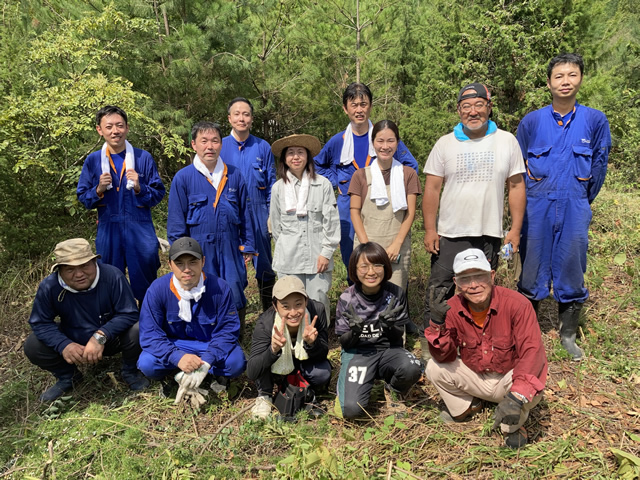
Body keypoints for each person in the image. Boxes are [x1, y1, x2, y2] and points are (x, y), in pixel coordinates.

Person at [516, 53, 611, 361]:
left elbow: (598, 167)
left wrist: (581, 200)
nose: (565, 81)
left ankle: (567, 334)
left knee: (572, 265)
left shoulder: (594, 120)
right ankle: (528, 332)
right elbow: (518, 169)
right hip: (536, 206)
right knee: (532, 267)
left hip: (575, 204)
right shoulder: (531, 122)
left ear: (580, 79)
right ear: (549, 83)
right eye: (559, 76)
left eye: (571, 75)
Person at [422, 83, 526, 360]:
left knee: (480, 294)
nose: (473, 112)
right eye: (466, 107)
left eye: (479, 105)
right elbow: (432, 188)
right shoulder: (445, 143)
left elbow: (516, 186)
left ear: (489, 107)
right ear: (458, 111)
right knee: (440, 291)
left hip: (488, 232)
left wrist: (514, 230)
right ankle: (435, 345)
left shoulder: (507, 141)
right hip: (449, 233)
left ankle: (478, 345)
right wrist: (430, 229)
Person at [425, 248, 548, 449]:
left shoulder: (517, 305)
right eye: (465, 279)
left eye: (479, 276)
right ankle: (468, 406)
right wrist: (437, 323)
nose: (473, 285)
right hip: (477, 376)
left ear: (492, 276)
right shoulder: (452, 308)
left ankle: (513, 425)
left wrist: (517, 396)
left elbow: (532, 352)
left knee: (534, 377)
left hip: (509, 379)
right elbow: (443, 355)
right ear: (456, 284)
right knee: (433, 367)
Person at [314, 83, 418, 281]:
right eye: (354, 105)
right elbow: (317, 165)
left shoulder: (382, 137)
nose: (359, 109)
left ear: (370, 107)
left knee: (384, 253)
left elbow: (411, 166)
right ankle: (357, 294)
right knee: (352, 254)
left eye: (363, 104)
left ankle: (389, 295)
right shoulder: (339, 141)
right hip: (348, 204)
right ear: (345, 109)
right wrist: (339, 180)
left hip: (382, 205)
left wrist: (391, 183)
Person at [24, 238, 149, 403]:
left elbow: (129, 313)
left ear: (94, 261)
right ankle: (68, 377)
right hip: (74, 338)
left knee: (139, 329)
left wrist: (100, 335)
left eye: (84, 266)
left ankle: (130, 371)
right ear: (59, 270)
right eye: (70, 269)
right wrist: (64, 345)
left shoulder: (112, 276)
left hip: (111, 338)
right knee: (33, 345)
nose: (79, 274)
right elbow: (40, 322)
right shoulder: (50, 286)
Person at [167, 122, 256, 332]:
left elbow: (246, 215)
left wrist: (247, 246)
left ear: (221, 144)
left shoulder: (234, 175)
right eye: (204, 141)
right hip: (198, 250)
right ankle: (204, 337)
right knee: (201, 290)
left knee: (234, 289)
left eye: (215, 141)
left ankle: (234, 336)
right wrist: (182, 257)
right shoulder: (183, 178)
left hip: (230, 247)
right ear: (193, 145)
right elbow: (176, 225)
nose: (210, 146)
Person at [137, 237, 246, 404]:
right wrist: (177, 357)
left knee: (236, 363)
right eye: (180, 263)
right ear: (170, 265)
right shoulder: (157, 290)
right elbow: (150, 334)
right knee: (147, 363)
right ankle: (173, 375)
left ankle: (213, 375)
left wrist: (208, 360)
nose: (186, 269)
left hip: (208, 344)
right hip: (175, 344)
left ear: (203, 261)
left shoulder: (220, 288)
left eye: (193, 262)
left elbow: (228, 330)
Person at [77, 105, 165, 302]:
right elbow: (83, 198)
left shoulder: (143, 158)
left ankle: (149, 324)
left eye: (119, 125)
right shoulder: (93, 161)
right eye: (109, 127)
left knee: (146, 279)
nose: (115, 131)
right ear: (100, 130)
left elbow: (159, 194)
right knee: (108, 280)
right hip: (109, 229)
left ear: (127, 128)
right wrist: (98, 189)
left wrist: (140, 188)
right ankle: (115, 328)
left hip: (140, 227)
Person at [334, 242, 422, 419]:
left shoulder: (396, 294)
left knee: (413, 367)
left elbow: (398, 337)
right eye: (364, 266)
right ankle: (365, 383)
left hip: (388, 350)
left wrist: (388, 327)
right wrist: (356, 332)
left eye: (377, 265)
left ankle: (393, 390)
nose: (371, 272)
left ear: (385, 267)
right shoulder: (347, 298)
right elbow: (344, 342)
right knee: (351, 410)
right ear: (355, 269)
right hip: (358, 352)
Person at [269, 134, 340, 319]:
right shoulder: (278, 188)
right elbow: (276, 226)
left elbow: (331, 221)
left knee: (318, 299)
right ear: (284, 159)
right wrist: (286, 245)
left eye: (300, 152)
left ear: (308, 156)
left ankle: (319, 342)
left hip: (318, 257)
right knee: (290, 302)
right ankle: (294, 342)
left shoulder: (323, 185)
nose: (296, 157)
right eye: (291, 153)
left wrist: (326, 252)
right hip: (288, 258)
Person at [349, 119, 421, 292]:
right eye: (380, 141)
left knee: (394, 300)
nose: (385, 146)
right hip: (366, 245)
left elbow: (410, 213)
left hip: (395, 248)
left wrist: (397, 243)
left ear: (397, 143)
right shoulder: (360, 176)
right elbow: (354, 212)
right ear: (373, 144)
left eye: (390, 141)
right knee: (366, 299)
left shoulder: (408, 174)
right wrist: (367, 248)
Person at [220, 98, 277, 310]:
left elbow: (271, 182)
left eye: (246, 114)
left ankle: (268, 313)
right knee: (233, 265)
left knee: (264, 265)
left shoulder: (263, 146)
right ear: (229, 118)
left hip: (260, 213)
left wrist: (272, 214)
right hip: (231, 214)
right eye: (237, 114)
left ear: (251, 119)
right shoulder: (221, 146)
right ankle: (236, 314)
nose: (241, 118)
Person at [247, 276, 331, 419]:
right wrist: (273, 350)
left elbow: (323, 353)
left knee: (322, 374)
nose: (293, 313)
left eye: (298, 304)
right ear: (275, 306)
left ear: (306, 300)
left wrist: (312, 344)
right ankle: (265, 394)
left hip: (303, 360)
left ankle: (302, 385)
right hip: (275, 366)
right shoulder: (265, 323)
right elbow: (252, 371)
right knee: (263, 357)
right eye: (285, 306)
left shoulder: (317, 311)